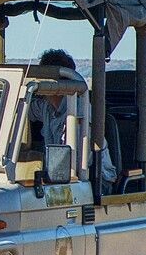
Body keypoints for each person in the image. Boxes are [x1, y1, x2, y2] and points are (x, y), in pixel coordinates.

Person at [30, 49, 117, 190]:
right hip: (59, 176)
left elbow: (75, 164)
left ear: (55, 81)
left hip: (93, 182)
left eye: (42, 75)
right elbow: (25, 109)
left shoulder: (79, 111)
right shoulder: (47, 106)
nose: (38, 81)